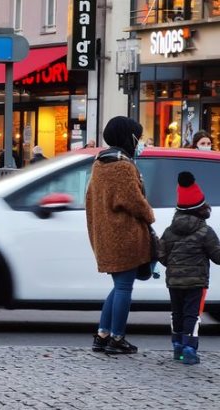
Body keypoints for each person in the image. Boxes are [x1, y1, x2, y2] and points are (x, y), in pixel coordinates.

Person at [86, 116, 155, 354]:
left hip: (106, 233)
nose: (139, 142)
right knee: (124, 288)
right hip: (124, 235)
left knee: (118, 287)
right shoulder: (123, 166)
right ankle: (117, 338)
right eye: (138, 137)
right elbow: (135, 201)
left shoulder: (100, 163)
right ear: (128, 137)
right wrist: (150, 214)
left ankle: (102, 334)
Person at [158, 172, 220, 365]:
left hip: (174, 281)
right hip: (196, 282)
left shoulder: (169, 231)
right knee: (192, 314)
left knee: (176, 312)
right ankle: (189, 348)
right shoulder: (205, 231)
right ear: (201, 209)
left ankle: (177, 346)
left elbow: (161, 254)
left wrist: (173, 265)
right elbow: (217, 256)